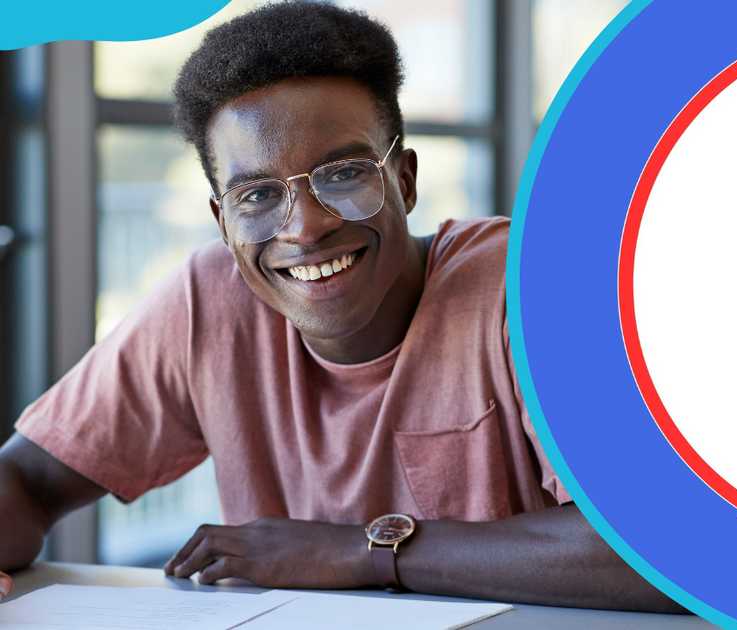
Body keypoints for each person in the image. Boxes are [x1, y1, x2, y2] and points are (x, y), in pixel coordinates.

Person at [0, 2, 683, 613]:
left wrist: (362, 551)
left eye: (344, 174)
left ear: (404, 179)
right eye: (257, 196)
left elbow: (668, 544)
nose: (304, 228)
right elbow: (26, 480)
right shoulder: (210, 303)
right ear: (222, 219)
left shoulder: (529, 288)